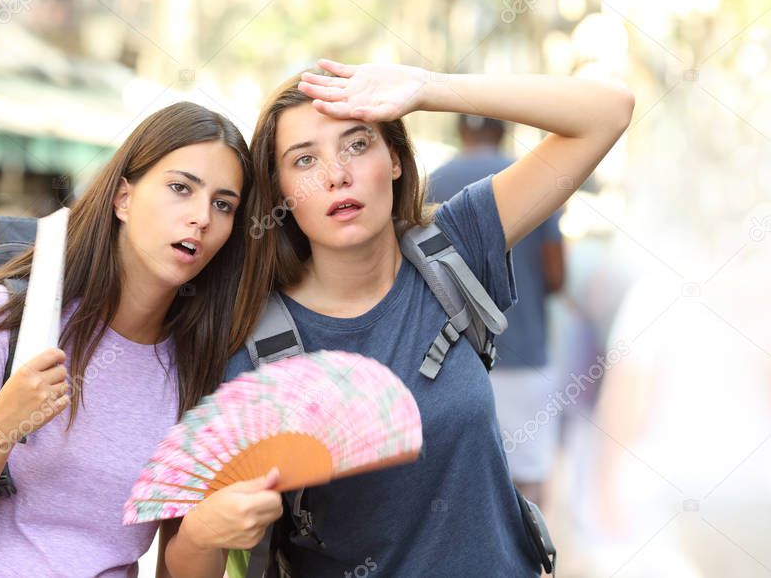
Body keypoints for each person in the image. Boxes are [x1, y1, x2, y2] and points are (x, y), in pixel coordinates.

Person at [163, 59, 634, 576]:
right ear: (277, 193)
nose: (336, 173)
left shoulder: (456, 246)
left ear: (394, 159)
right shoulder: (258, 358)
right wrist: (205, 531)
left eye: (357, 144)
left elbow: (609, 111)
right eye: (304, 161)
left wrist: (428, 88)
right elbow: (193, 565)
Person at [0, 102, 259, 577]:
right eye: (180, 188)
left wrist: (205, 532)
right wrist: (4, 423)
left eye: (223, 205)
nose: (201, 218)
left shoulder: (197, 370)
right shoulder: (4, 320)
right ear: (123, 198)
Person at [426, 113, 565, 508]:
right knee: (527, 488)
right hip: (524, 356)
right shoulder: (531, 177)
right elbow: (556, 275)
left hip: (452, 363)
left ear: (460, 131)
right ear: (504, 129)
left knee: (467, 495)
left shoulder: (431, 183)